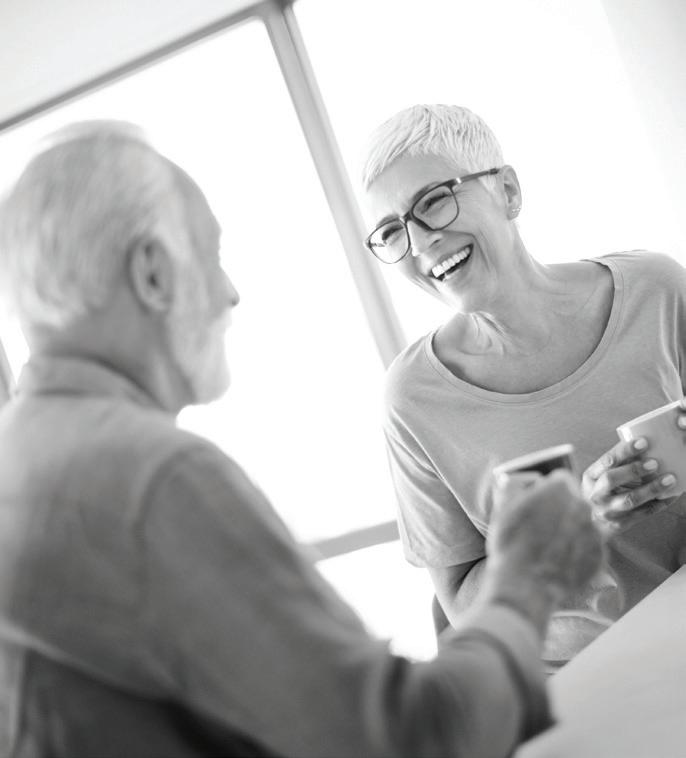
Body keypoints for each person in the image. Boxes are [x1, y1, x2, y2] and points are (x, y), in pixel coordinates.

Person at [0, 121, 603, 758]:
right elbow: (407, 740)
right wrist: (523, 578)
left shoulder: (21, 459)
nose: (231, 294)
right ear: (153, 273)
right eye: (212, 255)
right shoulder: (154, 480)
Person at [362, 103, 686, 670]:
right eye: (392, 231)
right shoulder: (413, 400)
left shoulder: (656, 290)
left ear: (507, 191)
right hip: (587, 680)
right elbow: (464, 607)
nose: (418, 242)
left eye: (433, 201)